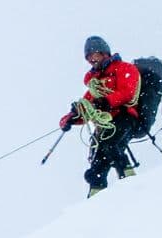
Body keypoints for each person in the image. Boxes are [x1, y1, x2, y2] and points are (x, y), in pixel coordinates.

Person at [59, 36, 142, 198]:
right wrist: (70, 118)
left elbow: (127, 93)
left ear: (104, 53)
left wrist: (106, 101)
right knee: (98, 164)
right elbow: (87, 108)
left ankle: (132, 185)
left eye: (93, 54)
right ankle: (95, 199)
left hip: (125, 117)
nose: (91, 59)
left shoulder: (124, 69)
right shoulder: (95, 84)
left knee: (110, 145)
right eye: (88, 57)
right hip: (106, 124)